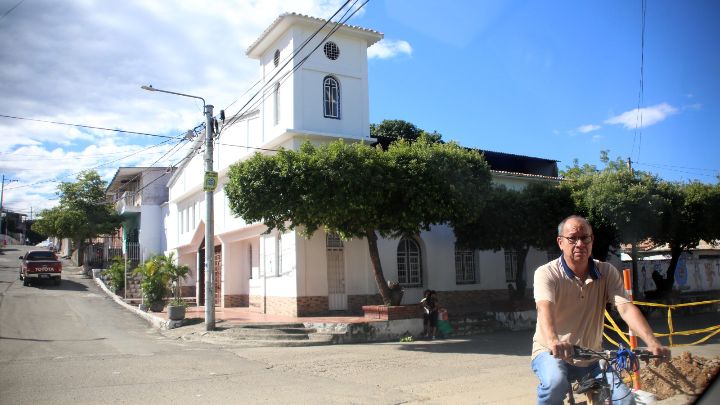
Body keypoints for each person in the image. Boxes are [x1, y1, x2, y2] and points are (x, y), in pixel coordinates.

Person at [531, 215, 671, 404]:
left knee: (625, 399)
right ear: (560, 242)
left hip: (591, 356)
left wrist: (652, 342)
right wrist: (554, 340)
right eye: (573, 238)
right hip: (552, 352)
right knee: (554, 384)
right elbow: (544, 306)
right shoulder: (547, 273)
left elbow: (626, 308)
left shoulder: (606, 272)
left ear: (592, 240)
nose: (580, 243)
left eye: (585, 238)